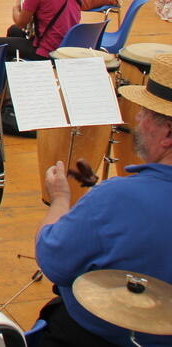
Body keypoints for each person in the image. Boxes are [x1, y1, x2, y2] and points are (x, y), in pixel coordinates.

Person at [34, 52, 172, 346]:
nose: (137, 118)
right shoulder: (118, 197)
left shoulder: (118, 198)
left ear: (167, 134)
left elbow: (52, 261)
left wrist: (60, 199)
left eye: (145, 113)